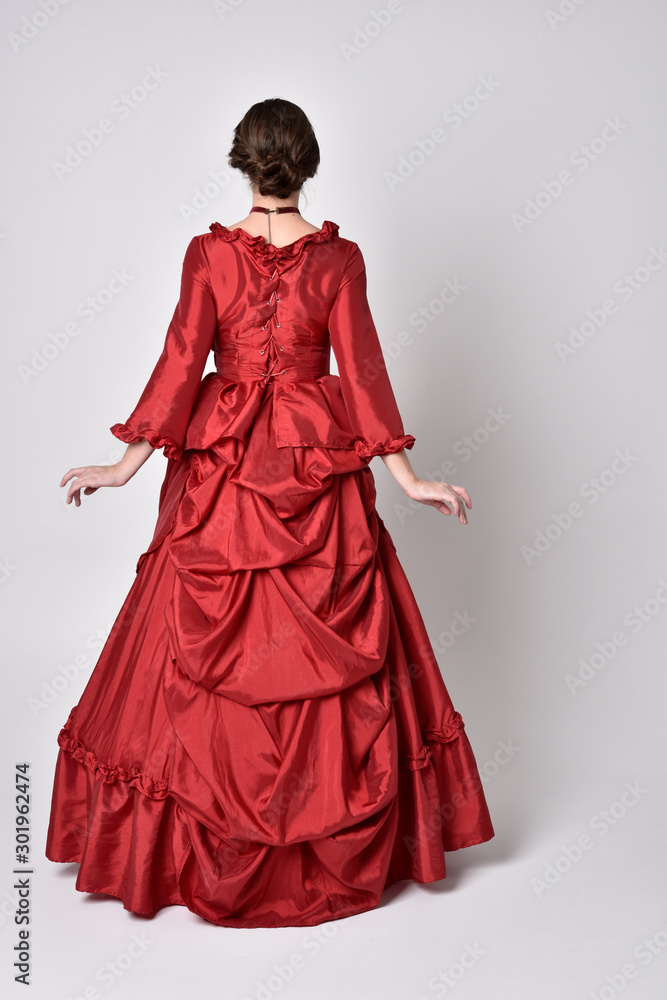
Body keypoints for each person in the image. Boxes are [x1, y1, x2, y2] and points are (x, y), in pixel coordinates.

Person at [45, 98, 494, 928]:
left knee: (200, 652)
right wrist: (408, 479)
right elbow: (360, 374)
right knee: (327, 647)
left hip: (224, 468)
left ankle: (201, 843)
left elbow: (183, 361)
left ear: (241, 163)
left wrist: (124, 464)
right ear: (309, 163)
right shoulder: (340, 260)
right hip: (310, 461)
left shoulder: (208, 255)